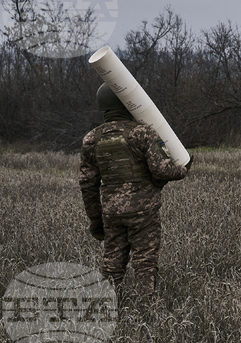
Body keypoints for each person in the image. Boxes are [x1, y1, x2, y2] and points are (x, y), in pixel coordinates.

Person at [79, 83, 191, 296]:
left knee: (112, 264)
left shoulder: (91, 139)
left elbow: (87, 184)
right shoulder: (142, 133)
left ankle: (108, 308)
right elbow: (161, 171)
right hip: (143, 213)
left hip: (111, 214)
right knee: (145, 263)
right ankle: (145, 312)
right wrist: (183, 170)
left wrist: (96, 219)